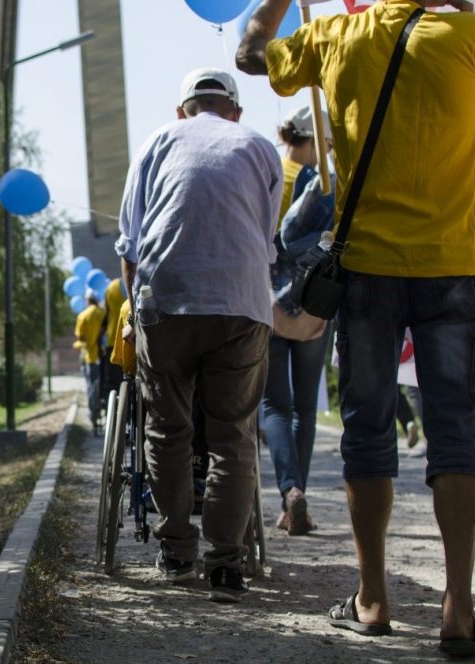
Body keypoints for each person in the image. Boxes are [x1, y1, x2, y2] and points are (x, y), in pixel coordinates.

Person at [238, 0, 475, 655]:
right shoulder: (470, 33)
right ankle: (457, 610)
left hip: (366, 268)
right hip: (453, 264)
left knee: (367, 431)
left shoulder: (339, 34)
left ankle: (371, 599)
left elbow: (251, 54)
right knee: (456, 430)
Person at [117, 68, 282, 601]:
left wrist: (139, 310)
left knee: (168, 429)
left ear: (182, 108)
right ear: (234, 110)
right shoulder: (260, 147)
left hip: (169, 299)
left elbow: (131, 245)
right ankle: (227, 566)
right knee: (232, 435)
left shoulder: (157, 142)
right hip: (242, 305)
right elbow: (265, 237)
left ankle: (176, 552)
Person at [262, 106, 335, 536]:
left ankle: (289, 492)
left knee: (274, 404)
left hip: (268, 300)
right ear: (315, 140)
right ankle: (297, 500)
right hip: (313, 301)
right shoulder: (325, 183)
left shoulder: (270, 171)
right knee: (305, 406)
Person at [74, 288, 106, 436]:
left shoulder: (82, 315)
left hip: (90, 358)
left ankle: (93, 415)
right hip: (104, 355)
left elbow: (80, 338)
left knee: (91, 387)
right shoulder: (103, 313)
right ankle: (106, 408)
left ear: (87, 300)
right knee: (105, 385)